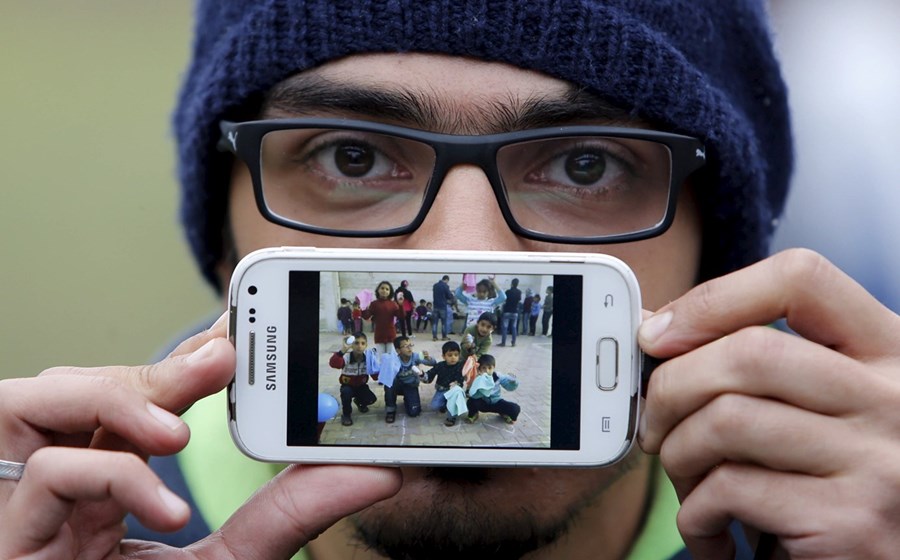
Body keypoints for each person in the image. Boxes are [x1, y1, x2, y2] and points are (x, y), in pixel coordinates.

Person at [3, 2, 900, 560]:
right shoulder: (61, 528)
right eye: (350, 157)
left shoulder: (849, 516)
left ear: (719, 250)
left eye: (586, 167)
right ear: (227, 238)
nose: (473, 264)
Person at [380, 336, 436, 423]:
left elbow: (433, 363)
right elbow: (385, 374)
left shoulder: (415, 357)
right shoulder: (394, 359)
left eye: (410, 345)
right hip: (398, 385)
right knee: (389, 383)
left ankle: (408, 399)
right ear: (398, 350)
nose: (409, 348)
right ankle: (390, 410)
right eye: (406, 346)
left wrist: (428, 358)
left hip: (411, 385)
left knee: (414, 412)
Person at [328, 332, 379, 426]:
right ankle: (346, 415)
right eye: (356, 343)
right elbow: (334, 364)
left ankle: (359, 402)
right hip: (348, 386)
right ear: (351, 345)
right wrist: (342, 350)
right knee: (346, 393)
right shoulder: (346, 358)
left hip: (361, 386)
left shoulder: (368, 359)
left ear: (366, 345)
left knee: (371, 399)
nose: (359, 346)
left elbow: (375, 377)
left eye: (363, 343)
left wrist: (379, 366)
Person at [465, 354, 520, 425]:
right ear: (479, 369)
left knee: (515, 408)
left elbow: (509, 387)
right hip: (483, 403)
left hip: (496, 402)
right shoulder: (478, 378)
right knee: (471, 401)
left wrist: (513, 382)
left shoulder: (498, 376)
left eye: (489, 368)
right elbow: (473, 394)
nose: (487, 370)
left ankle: (504, 413)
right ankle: (474, 414)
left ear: (494, 368)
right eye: (484, 368)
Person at [421, 340, 466, 426]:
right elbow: (430, 375)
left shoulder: (461, 366)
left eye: (456, 355)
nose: (453, 357)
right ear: (443, 356)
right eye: (450, 355)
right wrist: (423, 375)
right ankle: (444, 404)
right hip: (442, 390)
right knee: (434, 406)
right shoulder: (440, 365)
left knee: (453, 402)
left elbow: (467, 372)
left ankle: (451, 417)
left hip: (454, 392)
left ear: (459, 356)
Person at [361, 280, 405, 354]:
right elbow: (366, 316)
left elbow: (401, 316)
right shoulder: (374, 304)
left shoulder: (393, 304)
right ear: (378, 290)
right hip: (379, 335)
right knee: (380, 357)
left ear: (390, 292)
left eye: (387, 289)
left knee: (390, 356)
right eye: (382, 288)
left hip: (391, 335)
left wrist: (400, 305)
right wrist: (363, 307)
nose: (384, 290)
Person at [498, 278, 522, 347]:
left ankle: (503, 343)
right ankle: (513, 342)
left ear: (511, 283)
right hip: (515, 312)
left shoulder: (508, 291)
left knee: (505, 327)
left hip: (507, 311)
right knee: (514, 327)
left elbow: (504, 300)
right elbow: (519, 300)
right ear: (517, 284)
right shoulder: (519, 292)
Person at [431, 274, 453, 341]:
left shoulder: (435, 285)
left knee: (435, 323)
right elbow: (449, 296)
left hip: (435, 306)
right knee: (444, 323)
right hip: (443, 306)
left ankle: (434, 337)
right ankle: (444, 336)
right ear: (446, 280)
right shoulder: (445, 286)